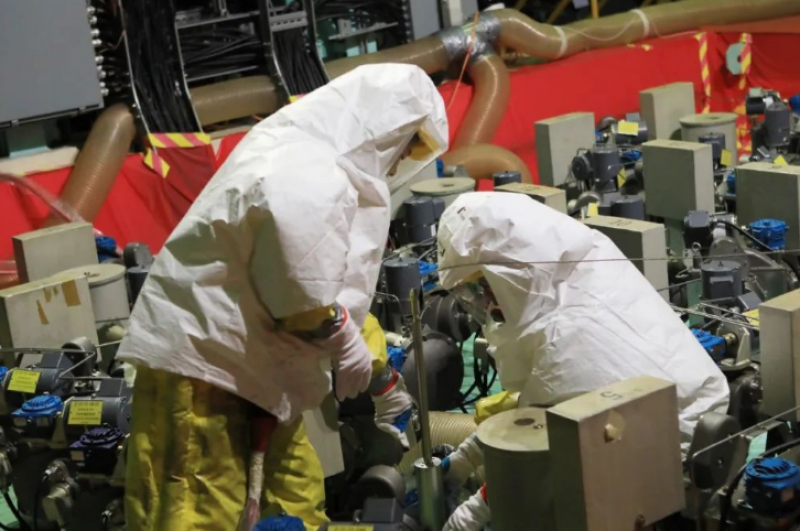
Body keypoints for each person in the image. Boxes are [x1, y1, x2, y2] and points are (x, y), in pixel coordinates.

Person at [116, 64, 448, 531]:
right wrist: (345, 343)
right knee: (195, 509)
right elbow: (300, 292)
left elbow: (327, 295)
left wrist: (377, 374)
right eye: (408, 144)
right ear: (385, 126)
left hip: (261, 375)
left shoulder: (319, 161)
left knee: (296, 498)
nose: (401, 161)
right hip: (206, 371)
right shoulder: (306, 167)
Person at [434, 192, 730, 531]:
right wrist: (463, 460)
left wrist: (471, 514)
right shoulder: (574, 267)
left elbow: (546, 447)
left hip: (665, 457)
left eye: (483, 287)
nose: (484, 302)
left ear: (508, 273)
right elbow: (541, 402)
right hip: (667, 422)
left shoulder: (565, 332)